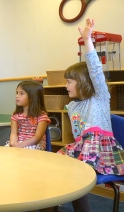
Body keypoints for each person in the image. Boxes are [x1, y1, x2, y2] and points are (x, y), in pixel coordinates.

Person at [57, 18, 124, 211]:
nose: (66, 86)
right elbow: (79, 138)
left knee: (77, 174)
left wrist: (87, 40)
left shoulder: (99, 98)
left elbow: (95, 70)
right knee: (57, 164)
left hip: (103, 152)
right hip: (83, 150)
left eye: (69, 82)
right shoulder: (73, 106)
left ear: (83, 82)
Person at [4, 81, 50, 150]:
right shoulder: (15, 115)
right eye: (17, 93)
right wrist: (13, 144)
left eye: (21, 93)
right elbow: (13, 134)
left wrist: (21, 145)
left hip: (34, 144)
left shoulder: (41, 116)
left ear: (32, 97)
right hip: (18, 143)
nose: (17, 96)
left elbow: (37, 137)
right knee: (5, 152)